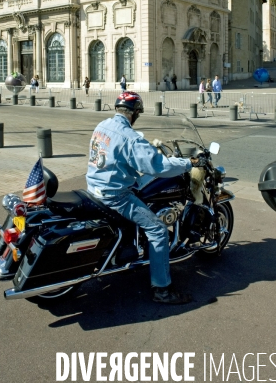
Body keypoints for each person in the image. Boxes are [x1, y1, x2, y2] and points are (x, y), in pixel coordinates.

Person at [86, 91, 203, 304]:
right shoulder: (129, 137)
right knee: (158, 230)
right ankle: (162, 290)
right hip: (115, 195)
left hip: (94, 187)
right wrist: (188, 164)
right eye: (138, 112)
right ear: (135, 113)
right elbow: (159, 166)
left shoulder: (102, 125)